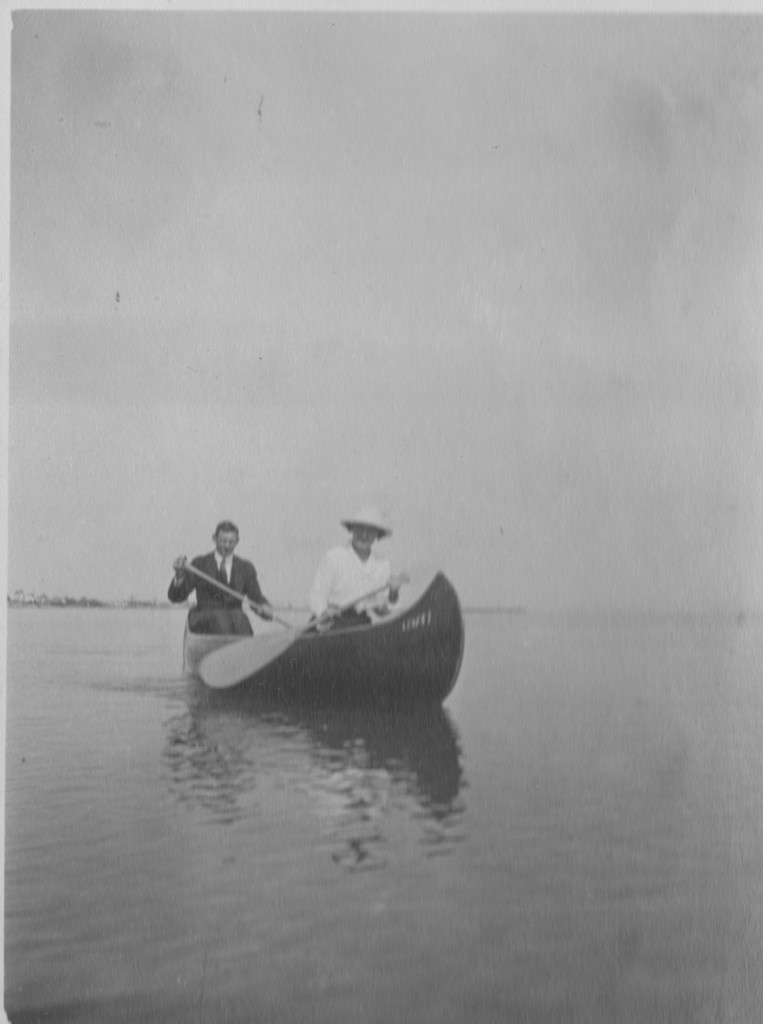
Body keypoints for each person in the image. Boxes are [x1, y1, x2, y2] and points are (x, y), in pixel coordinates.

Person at [309, 505, 409, 630]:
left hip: (360, 623)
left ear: (377, 535)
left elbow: (381, 612)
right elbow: (316, 595)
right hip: (329, 623)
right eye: (360, 529)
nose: (364, 535)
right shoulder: (334, 556)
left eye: (370, 531)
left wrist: (393, 593)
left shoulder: (382, 564)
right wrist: (324, 612)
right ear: (352, 529)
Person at [169, 520, 273, 635]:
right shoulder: (200, 564)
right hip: (203, 619)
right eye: (223, 541)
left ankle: (244, 648)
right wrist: (179, 575)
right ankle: (233, 648)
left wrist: (264, 607)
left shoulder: (245, 567)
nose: (227, 546)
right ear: (214, 538)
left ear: (237, 541)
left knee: (240, 617)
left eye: (231, 542)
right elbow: (176, 597)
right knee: (221, 617)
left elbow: (256, 597)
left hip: (236, 620)